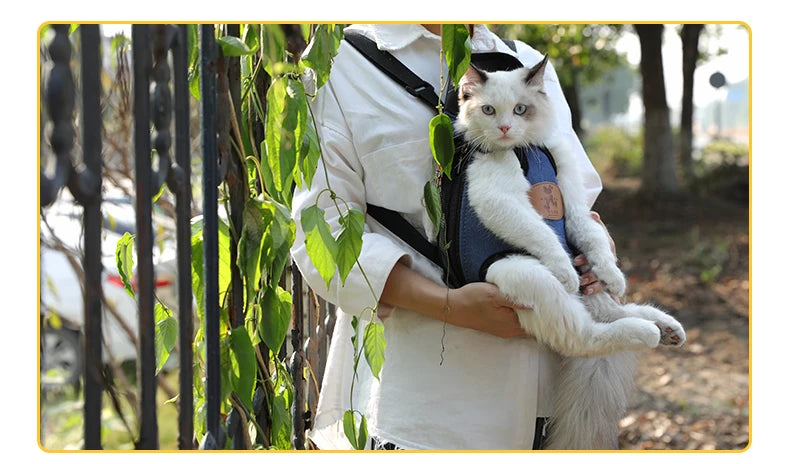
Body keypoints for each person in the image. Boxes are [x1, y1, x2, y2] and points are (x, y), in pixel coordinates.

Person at [291, 23, 610, 450]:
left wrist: (595, 251)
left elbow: (574, 193)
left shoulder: (528, 62)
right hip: (434, 405)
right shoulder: (340, 62)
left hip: (556, 393)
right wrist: (451, 307)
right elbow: (323, 236)